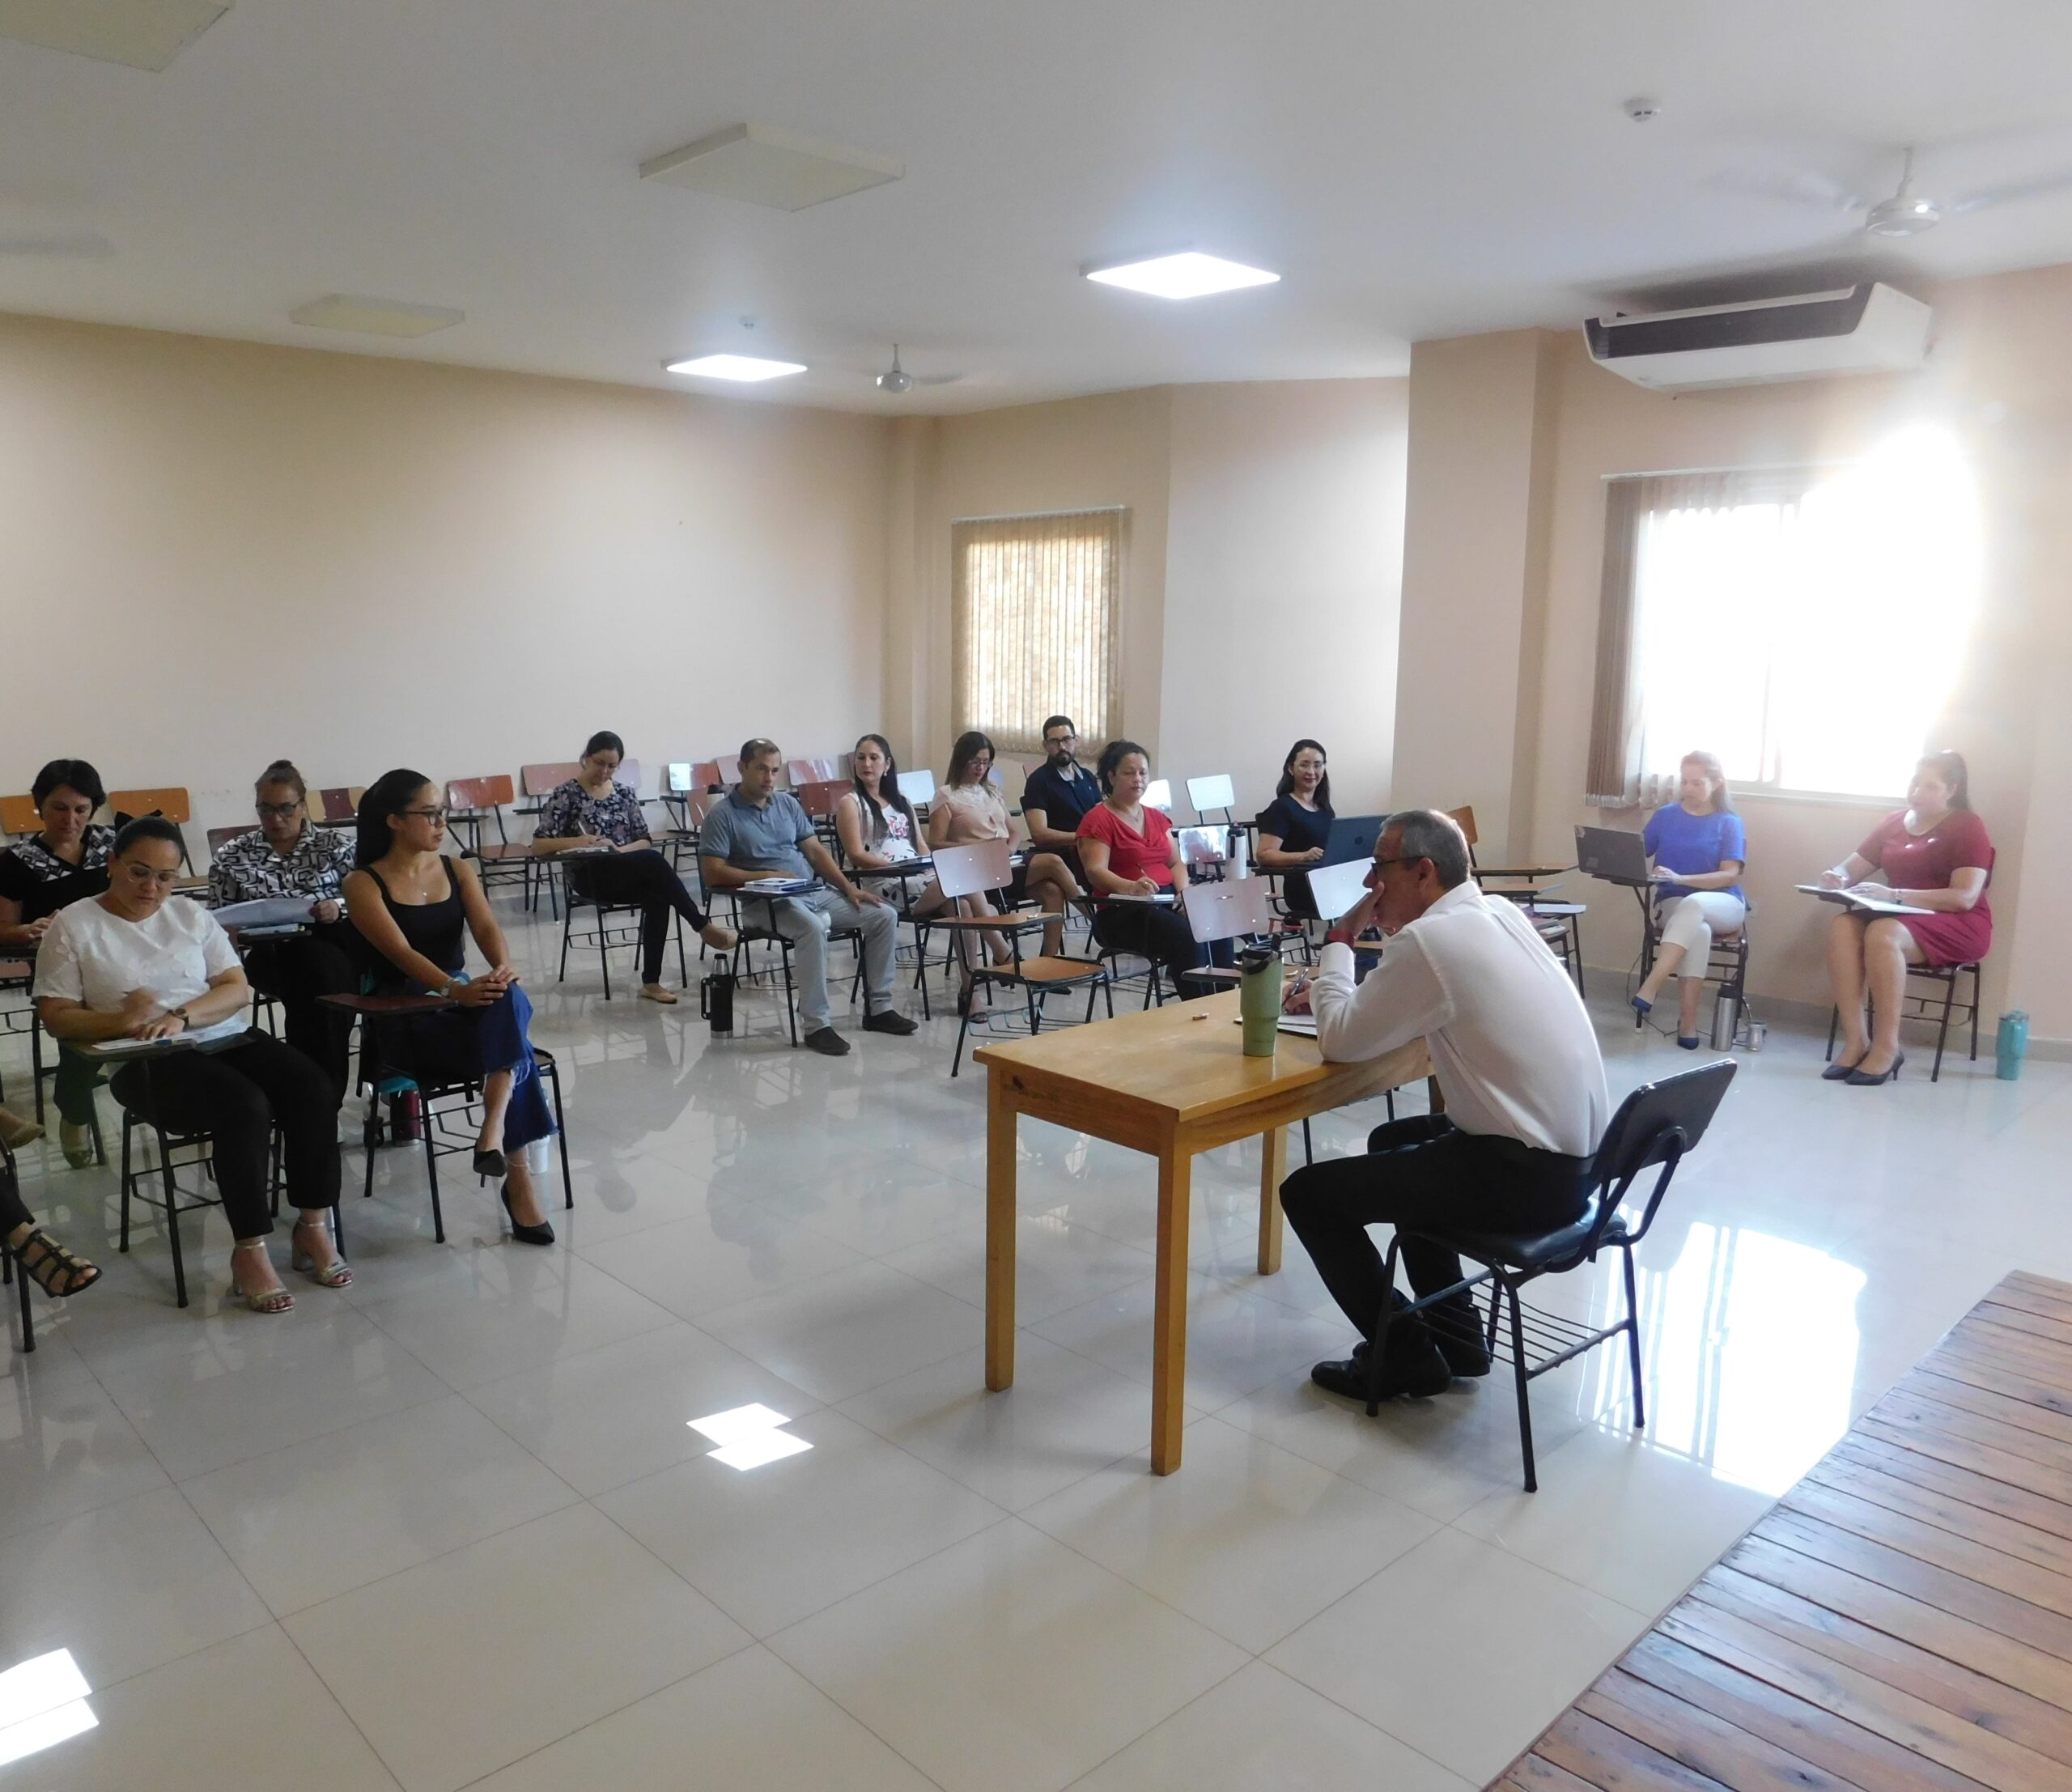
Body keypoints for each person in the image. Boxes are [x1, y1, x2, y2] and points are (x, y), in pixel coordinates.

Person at [1278, 809, 1609, 1402]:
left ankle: (1402, 1354)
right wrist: (1351, 996)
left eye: (1377, 869)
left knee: (1307, 1194)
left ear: (1423, 871)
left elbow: (1342, 1041)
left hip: (1524, 1177)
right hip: (1580, 1164)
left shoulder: (1431, 940)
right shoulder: (1497, 913)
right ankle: (1458, 1341)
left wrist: (1337, 946)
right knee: (1393, 1144)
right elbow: (1440, 1006)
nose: (1366, 885)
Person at [35, 817, 348, 1311]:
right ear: (112, 863)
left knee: (311, 1086)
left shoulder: (189, 915)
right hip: (142, 1057)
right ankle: (249, 1250)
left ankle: (313, 1226)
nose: (152, 888)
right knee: (243, 1104)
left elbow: (234, 987)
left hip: (214, 1032)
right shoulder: (74, 925)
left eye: (166, 876)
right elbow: (55, 1017)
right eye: (139, 872)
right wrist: (123, 1020)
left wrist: (180, 1016)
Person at [345, 771, 558, 1242]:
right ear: (396, 821)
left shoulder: (457, 868)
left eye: (444, 812)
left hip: (461, 1006)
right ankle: (513, 1171)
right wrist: (452, 991)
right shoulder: (363, 883)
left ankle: (495, 1129)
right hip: (403, 1015)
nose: (442, 823)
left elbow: (485, 928)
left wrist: (502, 967)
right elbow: (400, 952)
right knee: (515, 1042)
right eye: (430, 814)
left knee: (508, 995)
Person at [699, 739, 919, 1056]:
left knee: (883, 915)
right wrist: (765, 877)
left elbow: (816, 853)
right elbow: (713, 873)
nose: (769, 778)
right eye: (761, 769)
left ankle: (880, 1009)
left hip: (810, 892)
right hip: (764, 903)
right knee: (811, 928)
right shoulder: (722, 815)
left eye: (775, 771)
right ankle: (817, 1026)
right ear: (742, 768)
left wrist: (848, 888)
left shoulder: (787, 805)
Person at [1819, 749, 1993, 1087]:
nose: (1917, 793)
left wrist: (1895, 895)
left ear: (1951, 790)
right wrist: (1836, 876)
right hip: (1899, 917)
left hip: (1958, 922)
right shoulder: (1894, 821)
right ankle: (1856, 1042)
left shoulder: (1967, 825)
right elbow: (1851, 867)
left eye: (1930, 787)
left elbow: (1964, 897)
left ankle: (1887, 1047)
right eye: (1915, 783)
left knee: (1883, 934)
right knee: (1842, 926)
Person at [531, 731, 737, 1004]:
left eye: (611, 766)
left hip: (625, 866)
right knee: (654, 864)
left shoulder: (625, 794)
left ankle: (651, 983)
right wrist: (578, 841)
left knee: (658, 891)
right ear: (585, 759)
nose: (604, 771)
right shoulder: (567, 794)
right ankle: (701, 925)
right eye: (599, 763)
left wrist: (619, 850)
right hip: (589, 875)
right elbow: (538, 845)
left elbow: (644, 839)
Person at [208, 759, 361, 1094]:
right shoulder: (234, 855)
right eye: (265, 810)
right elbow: (215, 918)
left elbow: (368, 901)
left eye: (285, 809)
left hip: (332, 943)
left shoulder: (337, 847)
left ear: (304, 805)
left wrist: (338, 906)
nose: (275, 820)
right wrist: (229, 933)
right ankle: (321, 1094)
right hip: (268, 953)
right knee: (319, 980)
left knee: (318, 975)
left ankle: (314, 1093)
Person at [1, 758, 117, 1165]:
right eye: (59, 808)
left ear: (94, 807)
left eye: (81, 810)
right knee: (79, 1021)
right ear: (39, 807)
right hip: (60, 970)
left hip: (120, 960)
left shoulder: (115, 847)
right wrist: (31, 929)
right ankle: (75, 1113)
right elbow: (4, 929)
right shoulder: (17, 861)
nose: (71, 819)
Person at [1076, 739, 1232, 997]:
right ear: (1111, 776)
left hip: (1166, 899)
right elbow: (1095, 871)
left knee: (1215, 922)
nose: (1138, 779)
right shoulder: (1098, 819)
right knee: (1186, 933)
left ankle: (1224, 1000)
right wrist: (1131, 887)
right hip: (1124, 911)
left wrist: (1184, 892)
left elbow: (1175, 862)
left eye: (1143, 773)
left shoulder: (1156, 817)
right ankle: (1199, 1004)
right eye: (1129, 772)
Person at [1628, 750, 1747, 1050]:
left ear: (1717, 783)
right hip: (1673, 904)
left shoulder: (1729, 822)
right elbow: (1636, 852)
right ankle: (1688, 1023)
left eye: (1697, 783)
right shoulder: (1666, 816)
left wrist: (1681, 879)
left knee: (1694, 905)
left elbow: (1729, 875)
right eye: (1684, 782)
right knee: (1699, 929)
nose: (1688, 789)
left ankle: (1651, 985)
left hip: (1723, 905)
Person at [932, 731, 1082, 958]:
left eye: (986, 762)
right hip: (976, 869)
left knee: (1052, 890)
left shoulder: (992, 790)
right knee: (1052, 861)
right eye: (975, 762)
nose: (980, 768)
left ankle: (1048, 961)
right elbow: (935, 844)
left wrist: (1009, 848)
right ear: (961, 760)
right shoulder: (947, 795)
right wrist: (979, 848)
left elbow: (1014, 832)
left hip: (1005, 862)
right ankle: (1092, 915)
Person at [1255, 738, 1335, 919]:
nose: (1311, 772)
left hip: (1330, 880)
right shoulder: (1282, 807)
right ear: (1291, 768)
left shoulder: (1324, 809)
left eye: (1317, 765)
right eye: (1304, 765)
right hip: (1304, 887)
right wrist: (1304, 855)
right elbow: (1264, 855)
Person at [1019, 716, 1101, 888]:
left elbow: (1101, 818)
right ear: (1046, 746)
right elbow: (1040, 835)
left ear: (1076, 740)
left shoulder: (1087, 777)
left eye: (1067, 740)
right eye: (1055, 742)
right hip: (1064, 854)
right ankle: (1101, 913)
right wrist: (1082, 838)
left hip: (1093, 850)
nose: (1062, 747)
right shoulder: (1038, 781)